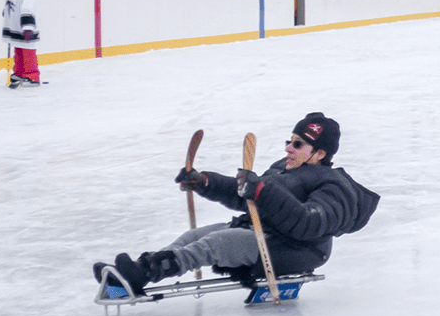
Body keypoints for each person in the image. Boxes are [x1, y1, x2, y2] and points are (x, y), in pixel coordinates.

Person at [95, 113, 380, 293]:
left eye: (297, 144)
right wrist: (205, 182)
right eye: (289, 140)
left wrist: (262, 191)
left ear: (319, 153)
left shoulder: (334, 186)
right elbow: (246, 196)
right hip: (260, 232)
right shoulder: (283, 167)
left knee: (217, 243)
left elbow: (309, 223)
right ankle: (134, 273)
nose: (287, 148)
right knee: (194, 236)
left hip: (297, 248)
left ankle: (141, 275)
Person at [2, 0, 43, 88]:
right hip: (15, 30)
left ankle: (32, 76)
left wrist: (28, 27)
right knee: (19, 52)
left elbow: (27, 10)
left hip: (26, 29)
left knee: (28, 53)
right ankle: (19, 73)